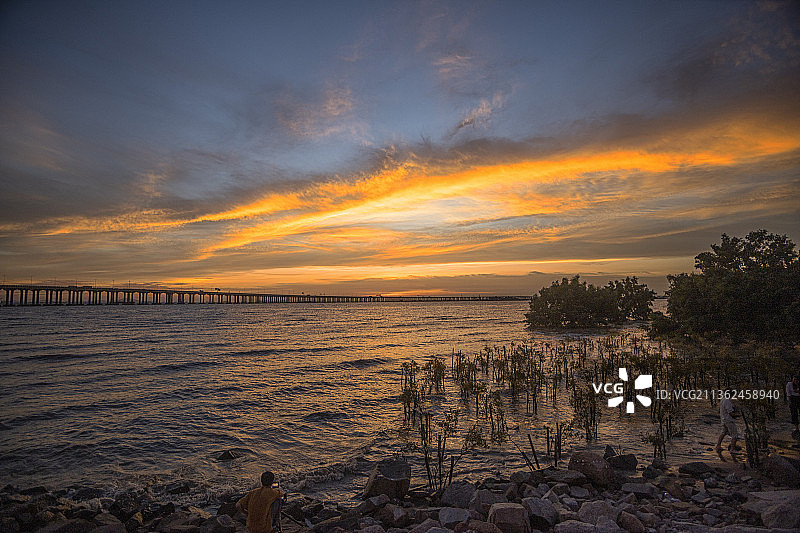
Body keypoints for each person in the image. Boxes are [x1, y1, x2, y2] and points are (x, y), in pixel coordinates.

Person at [715, 393, 740, 460]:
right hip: (728, 420)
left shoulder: (722, 399)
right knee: (735, 434)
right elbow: (730, 413)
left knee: (723, 432)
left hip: (723, 419)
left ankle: (718, 446)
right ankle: (732, 449)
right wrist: (738, 415)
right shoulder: (727, 401)